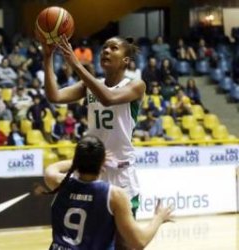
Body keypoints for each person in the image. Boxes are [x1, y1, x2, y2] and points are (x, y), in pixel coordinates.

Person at [42, 36, 145, 249]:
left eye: (114, 48)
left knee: (125, 245)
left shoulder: (136, 85)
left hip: (121, 175)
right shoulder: (89, 85)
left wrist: (76, 64)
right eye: (104, 47)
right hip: (92, 171)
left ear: (126, 60)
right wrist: (47, 57)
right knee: (92, 240)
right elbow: (54, 96)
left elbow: (108, 98)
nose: (106, 50)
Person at [45, 135, 173, 250]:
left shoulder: (61, 183)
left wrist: (78, 161)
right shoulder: (114, 195)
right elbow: (139, 242)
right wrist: (159, 217)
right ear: (102, 163)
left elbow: (51, 169)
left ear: (77, 160)